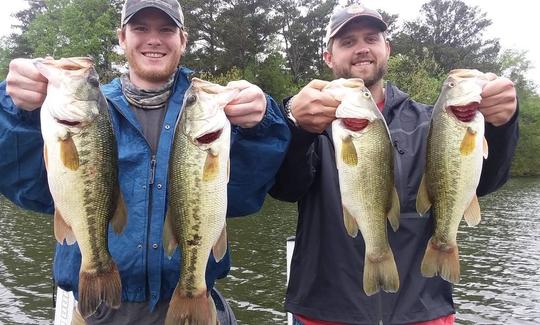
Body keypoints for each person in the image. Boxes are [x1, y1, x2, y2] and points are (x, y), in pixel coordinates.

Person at [0, 0, 290, 324]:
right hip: (99, 309)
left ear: (183, 40)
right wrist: (18, 112)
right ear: (122, 38)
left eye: (166, 29)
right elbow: (29, 188)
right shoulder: (91, 112)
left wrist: (260, 127)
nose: (154, 39)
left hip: (191, 305)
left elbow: (243, 197)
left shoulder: (214, 113)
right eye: (140, 28)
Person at [270, 4, 518, 325]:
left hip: (422, 311)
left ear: (386, 49)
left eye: (371, 38)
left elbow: (486, 182)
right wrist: (295, 126)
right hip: (326, 312)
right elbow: (286, 188)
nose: (361, 48)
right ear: (328, 58)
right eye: (347, 42)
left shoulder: (433, 121)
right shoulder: (312, 122)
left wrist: (502, 126)